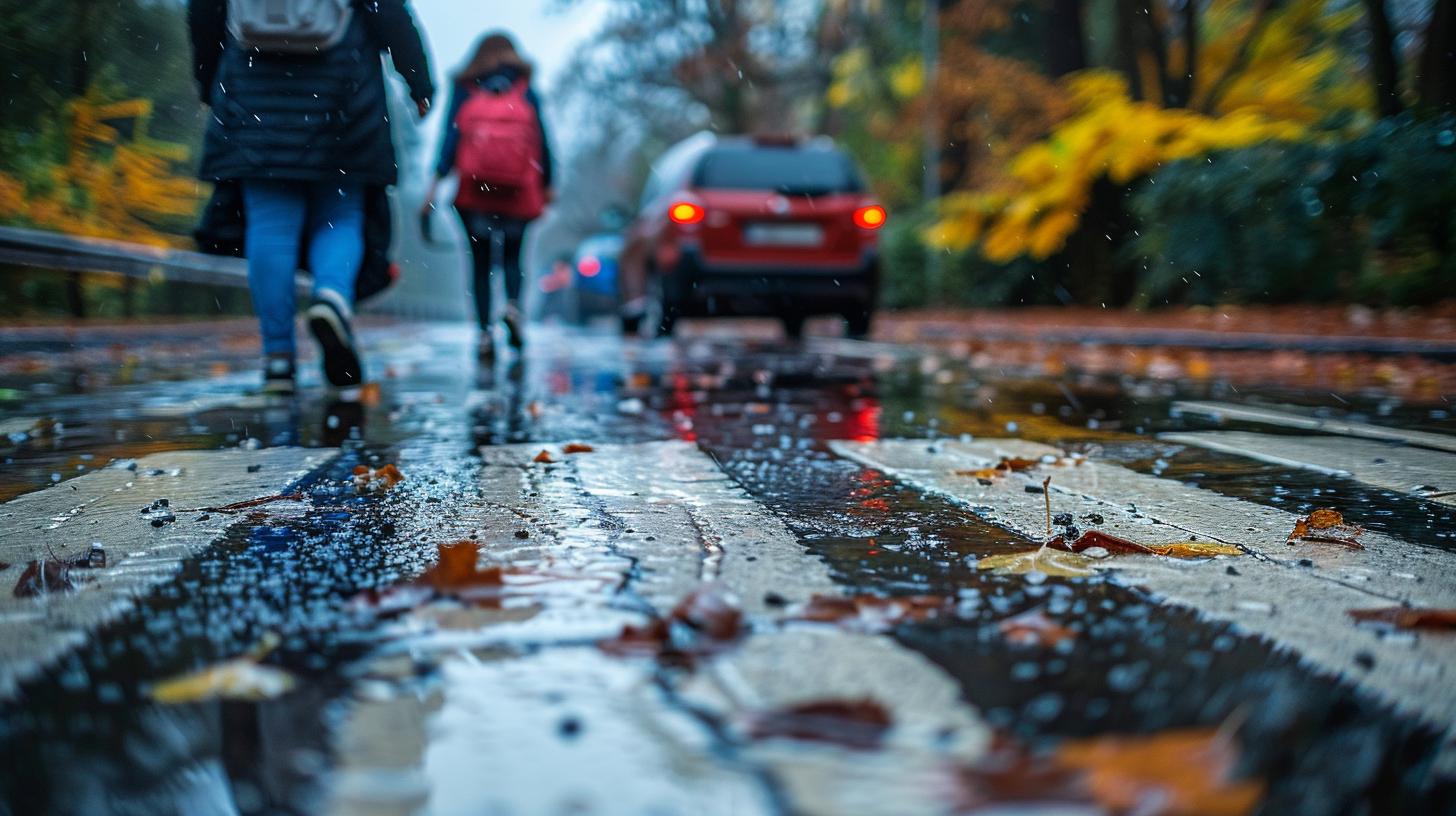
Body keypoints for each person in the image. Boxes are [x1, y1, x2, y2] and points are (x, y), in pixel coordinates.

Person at [188, 0, 434, 394]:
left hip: (253, 90)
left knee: (270, 224)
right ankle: (332, 298)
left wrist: (208, 79)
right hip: (342, 88)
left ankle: (279, 360)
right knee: (340, 213)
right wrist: (418, 81)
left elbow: (204, 13)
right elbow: (388, 10)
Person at [425, 32, 554, 361]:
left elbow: (449, 137)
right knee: (513, 256)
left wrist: (437, 180)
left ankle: (483, 333)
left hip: (474, 189)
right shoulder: (523, 87)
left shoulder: (467, 86)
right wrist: (549, 182)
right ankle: (513, 308)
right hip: (520, 189)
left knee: (480, 263)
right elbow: (542, 139)